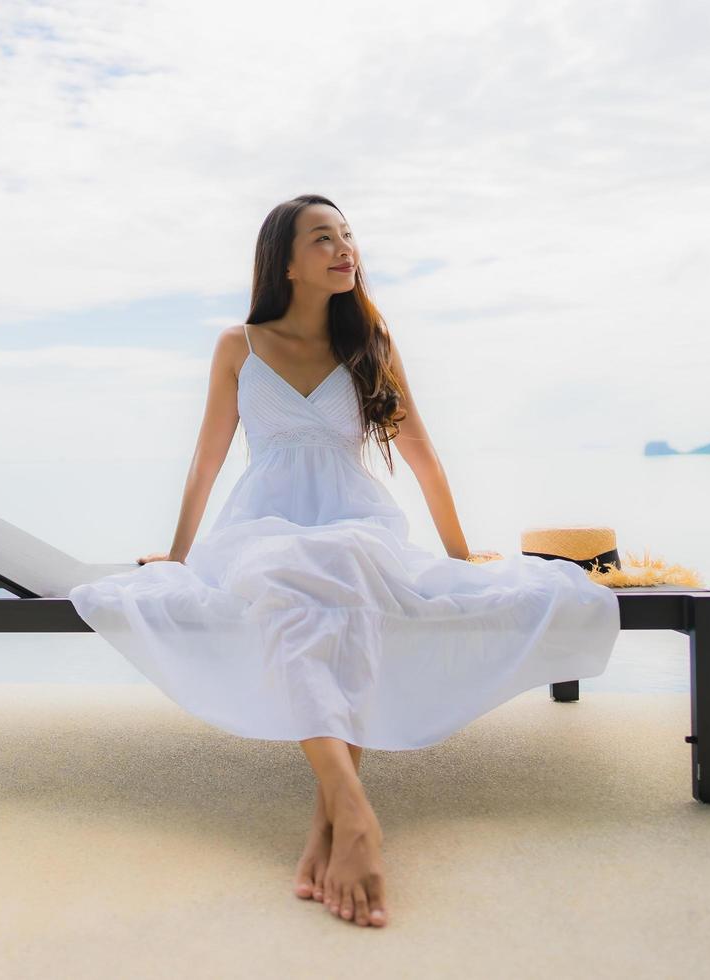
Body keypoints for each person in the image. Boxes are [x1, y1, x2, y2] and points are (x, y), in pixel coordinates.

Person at [67, 194, 620, 929]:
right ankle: (351, 809)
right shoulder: (240, 344)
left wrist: (459, 553)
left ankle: (331, 822)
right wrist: (178, 555)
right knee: (291, 579)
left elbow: (421, 455)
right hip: (260, 523)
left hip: (357, 517)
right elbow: (206, 461)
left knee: (347, 572)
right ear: (286, 262)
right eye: (323, 238)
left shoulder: (371, 346)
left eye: (348, 236)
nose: (344, 248)